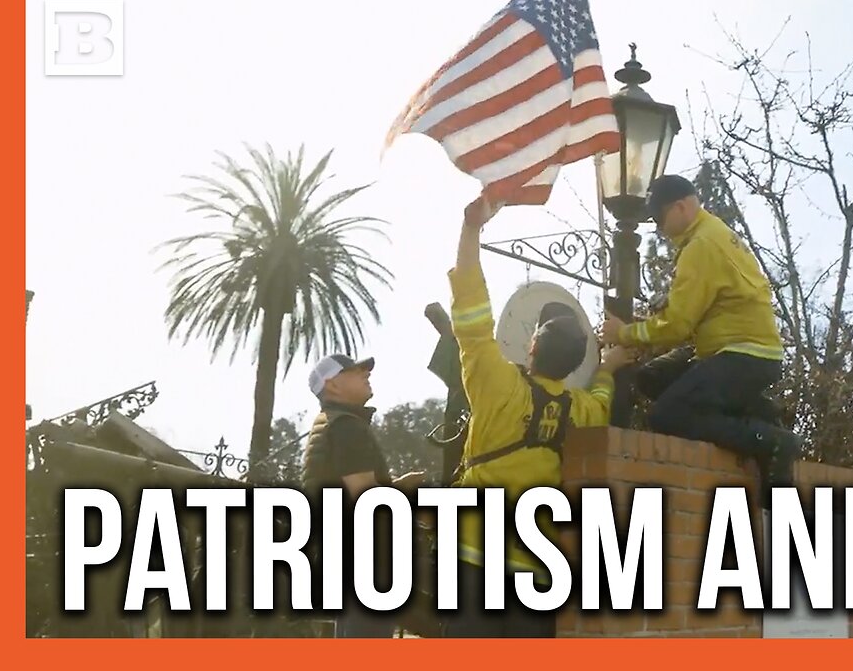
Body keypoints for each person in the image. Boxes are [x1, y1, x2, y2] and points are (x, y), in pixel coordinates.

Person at [442, 197, 632, 638]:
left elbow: (470, 310)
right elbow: (602, 399)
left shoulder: (497, 383)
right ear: (573, 367)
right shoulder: (580, 409)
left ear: (530, 346)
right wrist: (609, 367)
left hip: (473, 554)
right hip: (538, 569)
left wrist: (471, 229)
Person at [600, 174, 801, 508]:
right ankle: (759, 412)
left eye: (661, 219)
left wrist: (624, 333)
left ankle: (772, 441)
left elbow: (678, 326)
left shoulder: (700, 246)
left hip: (742, 354)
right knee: (653, 379)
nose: (661, 229)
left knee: (668, 414)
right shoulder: (715, 233)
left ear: (680, 207)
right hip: (745, 351)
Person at [301, 353, 427, 638]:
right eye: (355, 371)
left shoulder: (331, 423)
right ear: (332, 385)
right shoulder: (347, 426)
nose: (365, 373)